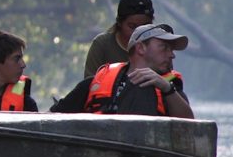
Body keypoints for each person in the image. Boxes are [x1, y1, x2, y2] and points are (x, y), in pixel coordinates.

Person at [52, 23, 194, 118]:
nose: (172, 54)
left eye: (172, 49)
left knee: (143, 88)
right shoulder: (92, 84)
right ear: (141, 48)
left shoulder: (170, 89)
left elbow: (189, 125)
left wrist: (166, 88)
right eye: (164, 47)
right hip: (102, 151)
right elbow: (52, 118)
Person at [83, 0, 154, 78]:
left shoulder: (157, 47)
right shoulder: (102, 45)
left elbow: (169, 79)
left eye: (145, 27)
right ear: (120, 23)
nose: (138, 32)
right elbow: (89, 84)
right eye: (132, 26)